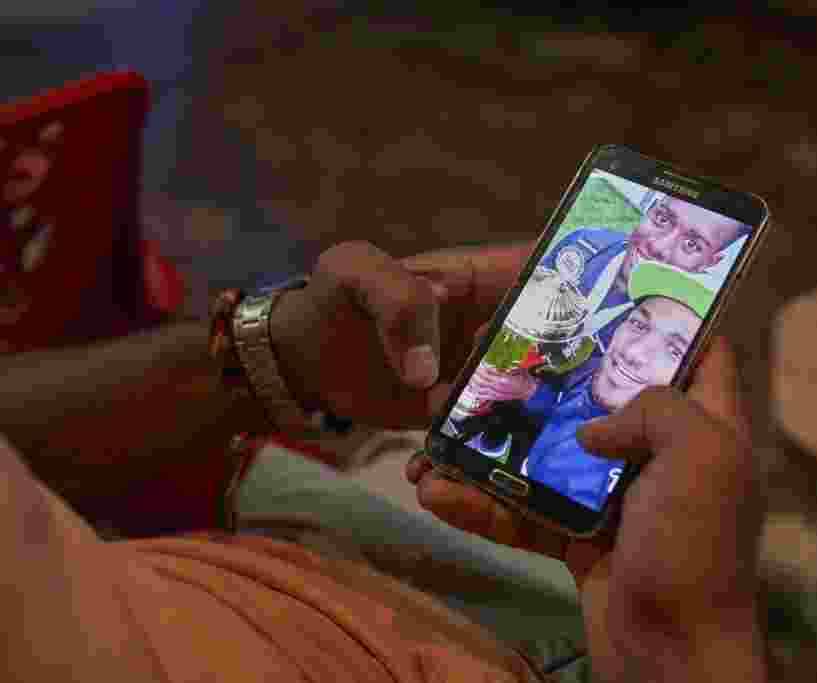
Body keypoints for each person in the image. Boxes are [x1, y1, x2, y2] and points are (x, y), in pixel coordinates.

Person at [0, 239, 766, 682]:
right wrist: (688, 656)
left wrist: (273, 354)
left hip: (272, 551)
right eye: (642, 332)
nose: (638, 352)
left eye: (666, 343)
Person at [460, 260, 713, 511]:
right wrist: (529, 391)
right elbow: (566, 407)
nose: (633, 352)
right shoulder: (593, 368)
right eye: (638, 324)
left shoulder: (627, 485)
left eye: (675, 350)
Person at [477, 193, 751, 413]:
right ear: (649, 210)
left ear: (710, 262)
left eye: (692, 244)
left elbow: (591, 415)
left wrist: (530, 392)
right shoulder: (584, 244)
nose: (658, 246)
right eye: (663, 218)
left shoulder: (667, 331)